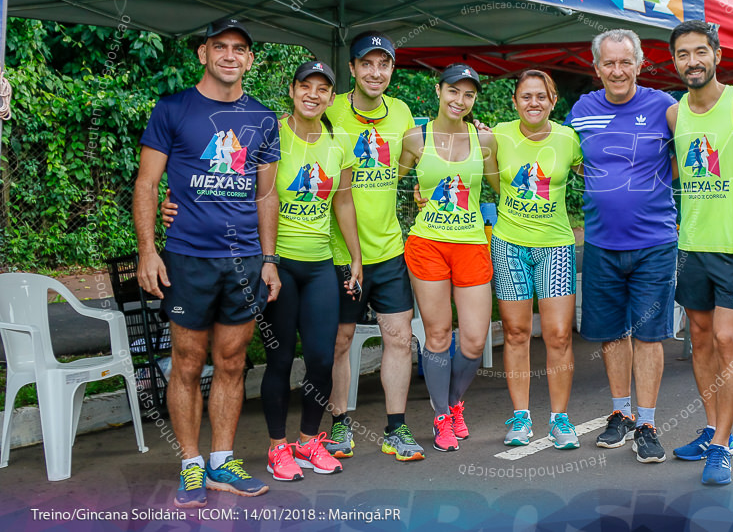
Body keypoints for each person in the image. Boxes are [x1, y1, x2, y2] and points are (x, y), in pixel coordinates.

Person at [161, 61, 364, 480]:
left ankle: (308, 441)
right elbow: (226, 177)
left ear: (331, 96)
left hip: (321, 263)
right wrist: (174, 202)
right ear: (291, 91)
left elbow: (343, 201)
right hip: (275, 263)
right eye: (305, 86)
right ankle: (277, 448)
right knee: (280, 359)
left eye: (322, 89)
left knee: (323, 359)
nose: (313, 94)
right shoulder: (269, 130)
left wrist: (356, 256)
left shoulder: (340, 140)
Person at [133, 19, 279, 508]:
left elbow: (266, 196)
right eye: (221, 47)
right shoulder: (173, 108)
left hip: (243, 262)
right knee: (187, 363)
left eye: (240, 49)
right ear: (203, 53)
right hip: (187, 259)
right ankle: (190, 465)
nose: (231, 56)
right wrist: (148, 250)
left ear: (250, 60)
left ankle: (221, 461)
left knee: (233, 362)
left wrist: (270, 259)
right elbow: (148, 185)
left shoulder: (262, 117)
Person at [566, 29, 677, 464]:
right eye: (608, 63)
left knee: (649, 337)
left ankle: (647, 422)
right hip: (600, 244)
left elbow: (695, 149)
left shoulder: (664, 107)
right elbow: (548, 149)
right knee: (613, 335)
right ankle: (621, 413)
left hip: (654, 243)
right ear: (597, 69)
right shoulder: (582, 109)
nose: (617, 71)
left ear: (639, 63)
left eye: (625, 62)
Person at [663, 21, 733, 486]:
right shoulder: (674, 114)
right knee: (699, 338)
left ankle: (723, 445)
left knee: (727, 339)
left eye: (700, 52)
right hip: (693, 246)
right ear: (675, 61)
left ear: (718, 54)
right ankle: (711, 428)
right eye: (683, 54)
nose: (692, 61)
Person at [321, 31, 425, 463]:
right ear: (352, 69)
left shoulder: (401, 112)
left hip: (388, 251)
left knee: (399, 340)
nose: (376, 72)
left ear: (392, 70)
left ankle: (396, 430)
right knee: (340, 341)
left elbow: (420, 160)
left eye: (383, 64)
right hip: (339, 254)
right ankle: (339, 425)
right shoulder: (329, 109)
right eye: (367, 63)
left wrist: (472, 133)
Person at [398, 64, 499, 452]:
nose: (460, 100)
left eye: (468, 94)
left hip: (471, 243)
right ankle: (441, 416)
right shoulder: (415, 137)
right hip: (428, 244)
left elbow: (498, 186)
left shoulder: (484, 140)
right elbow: (399, 183)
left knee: (474, 340)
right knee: (438, 335)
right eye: (453, 91)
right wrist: (415, 196)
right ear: (438, 91)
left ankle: (456, 402)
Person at [490, 70, 583, 450]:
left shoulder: (567, 138)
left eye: (541, 96)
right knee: (516, 332)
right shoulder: (497, 134)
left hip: (556, 245)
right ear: (515, 102)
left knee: (559, 335)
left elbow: (591, 172)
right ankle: (521, 416)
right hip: (509, 243)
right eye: (526, 96)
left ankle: (560, 419)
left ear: (552, 100)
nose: (533, 103)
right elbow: (486, 176)